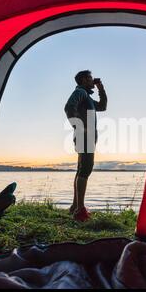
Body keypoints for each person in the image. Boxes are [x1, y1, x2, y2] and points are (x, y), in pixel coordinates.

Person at [64, 70, 107, 221]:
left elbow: (102, 106)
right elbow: (69, 107)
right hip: (84, 136)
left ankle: (75, 206)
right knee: (86, 169)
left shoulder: (86, 96)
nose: (92, 79)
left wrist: (101, 89)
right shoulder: (80, 92)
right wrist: (79, 126)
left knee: (81, 169)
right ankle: (80, 210)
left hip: (87, 137)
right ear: (83, 80)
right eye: (89, 77)